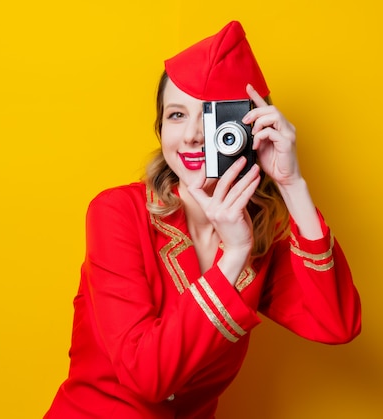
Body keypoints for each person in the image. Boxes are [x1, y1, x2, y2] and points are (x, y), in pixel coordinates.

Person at [44, 20, 361, 418]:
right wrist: (233, 257)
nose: (192, 135)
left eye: (210, 119)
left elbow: (337, 324)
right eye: (176, 115)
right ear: (159, 127)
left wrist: (292, 183)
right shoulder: (117, 213)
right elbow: (147, 377)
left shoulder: (258, 240)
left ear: (247, 130)